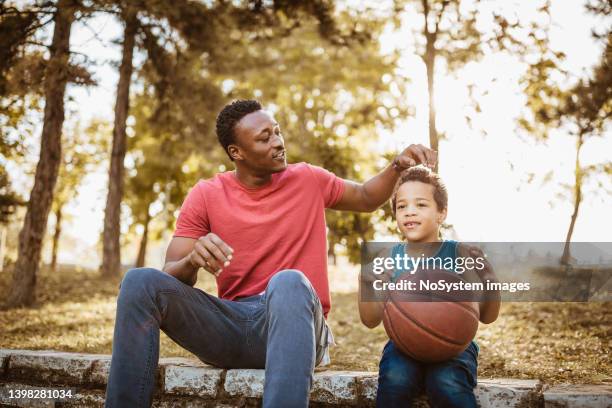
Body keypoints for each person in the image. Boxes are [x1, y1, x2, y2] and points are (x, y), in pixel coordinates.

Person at [104, 99, 437, 408]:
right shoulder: (206, 194)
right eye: (264, 138)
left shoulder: (307, 178)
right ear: (237, 152)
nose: (278, 142)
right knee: (139, 282)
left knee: (288, 282)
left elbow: (365, 197)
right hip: (233, 326)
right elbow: (171, 279)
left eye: (277, 132)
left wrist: (397, 167)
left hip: (299, 320)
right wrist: (192, 261)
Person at [357, 166, 501, 408]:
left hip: (454, 344)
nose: (409, 212)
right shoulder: (388, 257)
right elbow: (370, 320)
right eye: (402, 206)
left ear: (441, 213)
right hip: (403, 344)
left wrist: (490, 281)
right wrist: (367, 282)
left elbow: (486, 316)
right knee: (395, 378)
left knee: (446, 382)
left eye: (421, 205)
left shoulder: (460, 253)